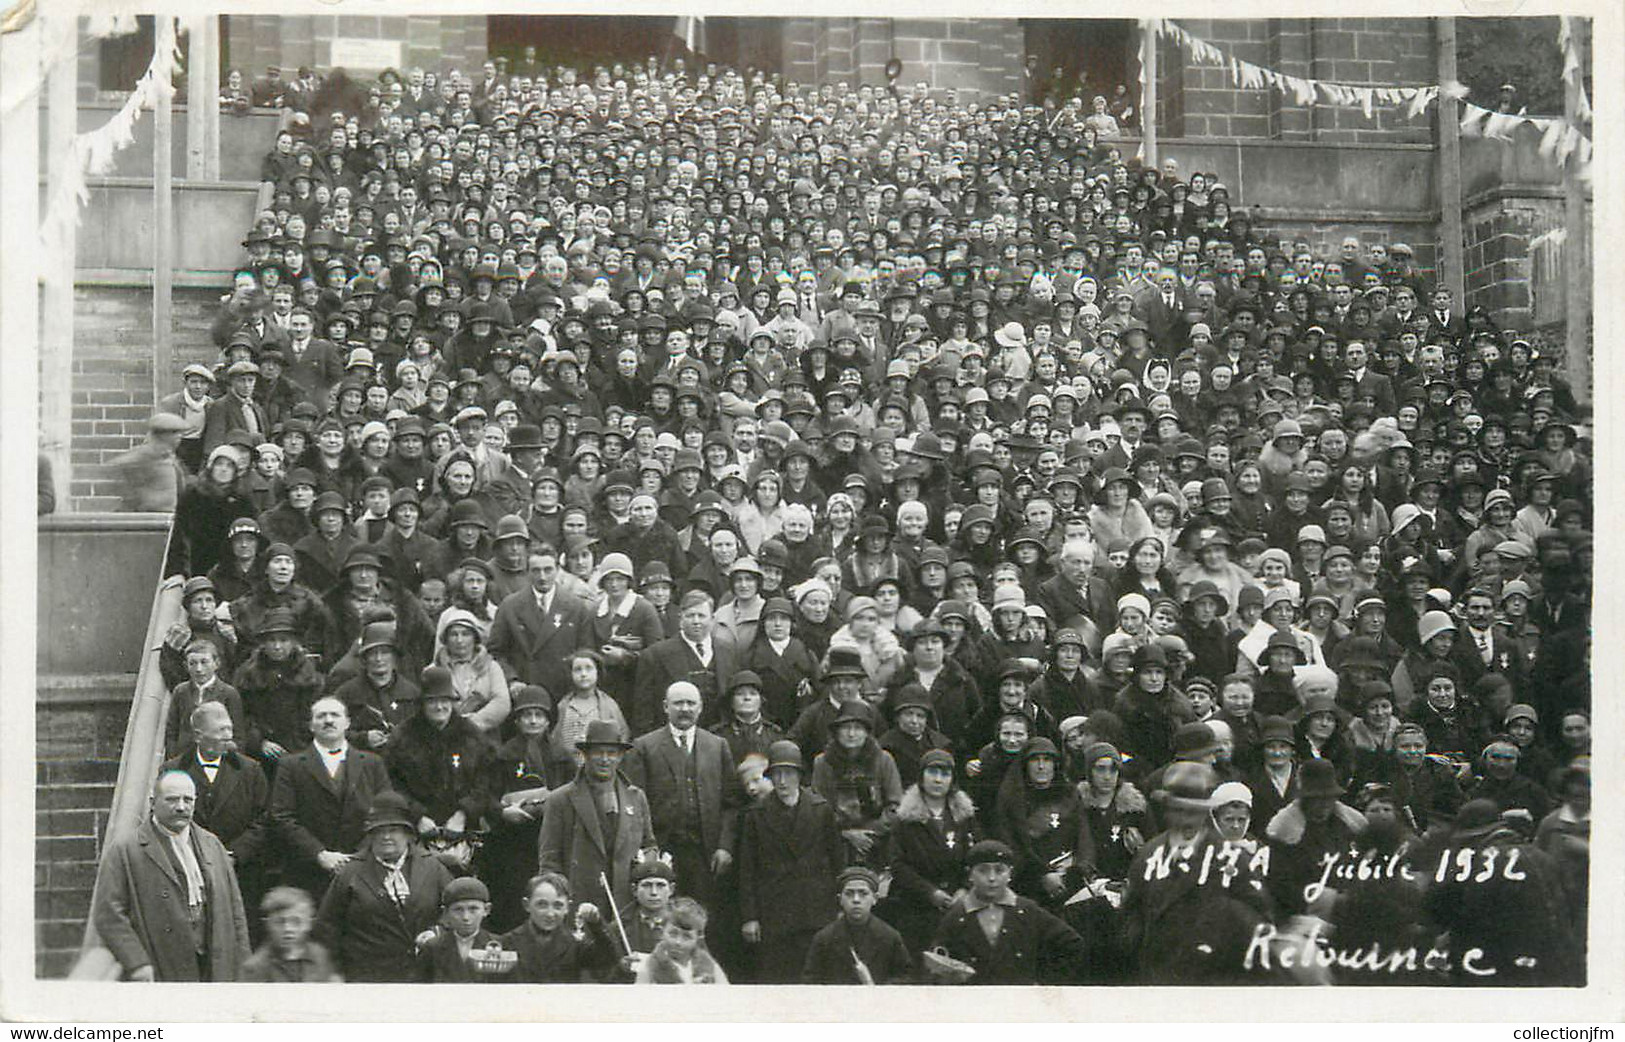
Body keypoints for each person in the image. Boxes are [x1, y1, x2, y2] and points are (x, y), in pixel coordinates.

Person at [90, 770, 251, 981]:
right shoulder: (126, 850)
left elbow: (235, 908)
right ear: (153, 802)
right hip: (161, 963)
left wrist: (243, 962)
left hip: (215, 964)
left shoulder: (212, 844)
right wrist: (137, 962)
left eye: (188, 800)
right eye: (172, 800)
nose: (181, 807)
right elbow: (108, 914)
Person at [623, 681, 740, 911]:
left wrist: (725, 846)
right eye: (678, 703)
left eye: (690, 703)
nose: (685, 708)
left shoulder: (717, 745)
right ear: (666, 707)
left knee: (704, 918)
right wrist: (648, 852)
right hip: (664, 852)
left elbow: (731, 802)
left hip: (707, 854)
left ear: (701, 707)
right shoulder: (644, 746)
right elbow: (634, 803)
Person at [314, 791, 452, 982]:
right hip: (368, 978)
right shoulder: (350, 872)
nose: (386, 836)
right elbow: (327, 927)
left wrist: (438, 931)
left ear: (408, 833)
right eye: (379, 830)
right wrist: (335, 972)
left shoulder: (433, 868)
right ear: (370, 835)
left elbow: (456, 911)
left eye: (394, 829)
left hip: (425, 976)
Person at [737, 740, 844, 983]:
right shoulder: (756, 814)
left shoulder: (821, 809)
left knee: (817, 978)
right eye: (776, 774)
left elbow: (838, 861)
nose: (782, 781)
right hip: (774, 911)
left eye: (789, 773)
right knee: (777, 979)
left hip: (816, 909)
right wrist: (750, 917)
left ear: (799, 775)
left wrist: (839, 906)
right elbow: (747, 869)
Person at [268, 697, 394, 900]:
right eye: (321, 716)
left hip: (366, 871)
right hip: (308, 875)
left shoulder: (373, 764)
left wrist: (360, 857)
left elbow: (387, 814)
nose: (328, 720)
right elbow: (281, 817)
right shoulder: (290, 766)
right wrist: (319, 854)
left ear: (347, 723)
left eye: (335, 715)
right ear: (311, 726)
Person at [536, 719, 658, 915]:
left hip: (625, 907)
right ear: (585, 755)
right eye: (597, 753)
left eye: (611, 753)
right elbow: (549, 861)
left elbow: (649, 844)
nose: (604, 759)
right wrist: (558, 904)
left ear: (620, 757)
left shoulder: (636, 797)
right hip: (579, 905)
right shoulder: (560, 800)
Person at [926, 838, 1087, 984]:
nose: (991, 878)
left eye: (999, 870)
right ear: (970, 875)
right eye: (983, 870)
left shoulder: (1027, 910)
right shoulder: (957, 915)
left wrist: (1043, 984)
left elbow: (1072, 944)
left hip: (1019, 1005)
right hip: (974, 1005)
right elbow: (937, 961)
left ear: (1010, 873)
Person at [801, 865, 915, 984]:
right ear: (840, 899)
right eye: (849, 893)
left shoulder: (890, 937)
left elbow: (905, 978)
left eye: (863, 893)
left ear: (875, 899)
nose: (856, 900)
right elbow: (811, 981)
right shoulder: (824, 938)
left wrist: (873, 985)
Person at [239, 886, 342, 982]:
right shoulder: (256, 968)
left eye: (296, 921)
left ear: (309, 923)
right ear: (268, 924)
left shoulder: (320, 957)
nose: (288, 929)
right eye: (279, 922)